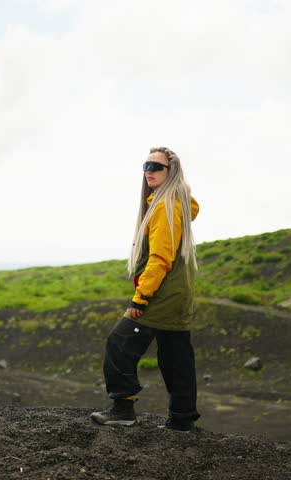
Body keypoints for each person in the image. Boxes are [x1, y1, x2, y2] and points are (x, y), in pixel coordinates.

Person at [91, 146, 201, 432]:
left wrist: (141, 298)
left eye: (156, 167)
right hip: (179, 294)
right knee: (176, 357)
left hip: (162, 295)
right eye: (146, 166)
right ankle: (182, 419)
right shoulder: (173, 203)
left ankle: (122, 408)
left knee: (120, 343)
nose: (149, 172)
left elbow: (160, 259)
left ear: (171, 172)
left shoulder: (166, 207)